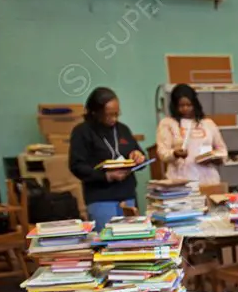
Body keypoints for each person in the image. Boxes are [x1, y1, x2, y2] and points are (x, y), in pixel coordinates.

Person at [68, 86, 145, 230]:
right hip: (101, 198)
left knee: (132, 242)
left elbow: (141, 156)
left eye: (116, 114)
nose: (113, 119)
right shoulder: (82, 132)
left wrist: (138, 156)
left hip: (127, 196)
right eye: (109, 115)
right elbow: (76, 165)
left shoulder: (123, 129)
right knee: (107, 245)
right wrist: (107, 176)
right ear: (95, 112)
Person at [156, 84, 228, 185]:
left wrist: (215, 158)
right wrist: (175, 153)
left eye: (189, 105)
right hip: (180, 180)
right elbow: (162, 152)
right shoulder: (167, 123)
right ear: (174, 105)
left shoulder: (208, 123)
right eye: (181, 106)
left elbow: (222, 150)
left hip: (208, 180)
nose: (185, 109)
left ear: (195, 104)